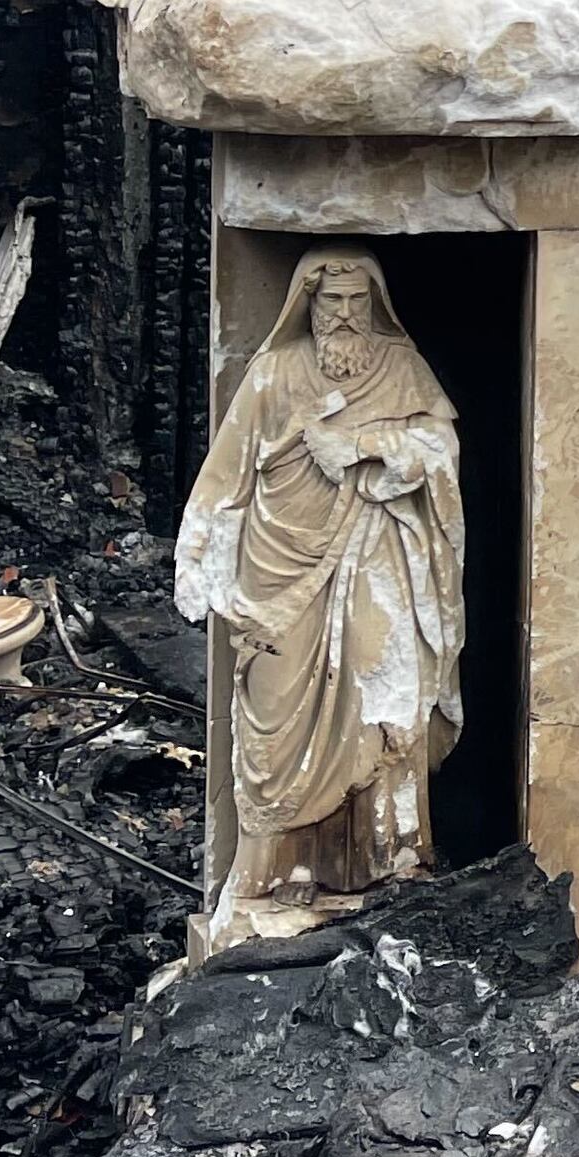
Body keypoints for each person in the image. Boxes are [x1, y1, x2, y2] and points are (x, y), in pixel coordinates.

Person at [179, 249, 464, 907]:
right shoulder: (273, 374)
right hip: (278, 569)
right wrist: (196, 559)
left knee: (383, 701)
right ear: (307, 303)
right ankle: (281, 869)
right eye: (331, 300)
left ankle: (388, 861)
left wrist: (361, 446)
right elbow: (224, 477)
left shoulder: (401, 367)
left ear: (375, 303)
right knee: (275, 716)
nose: (343, 314)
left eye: (357, 300)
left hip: (377, 558)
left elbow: (441, 449)